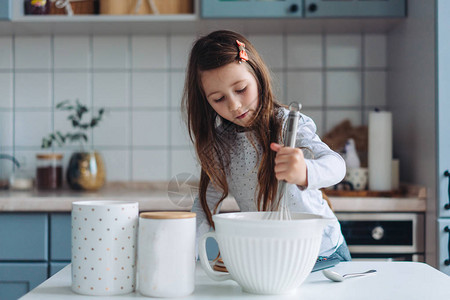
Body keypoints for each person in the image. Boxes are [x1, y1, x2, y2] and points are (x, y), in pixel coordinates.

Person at [182, 30, 351, 261]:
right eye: (219, 99)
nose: (235, 105)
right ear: (206, 103)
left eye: (241, 89)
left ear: (258, 77)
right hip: (271, 258)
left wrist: (305, 171)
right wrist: (184, 258)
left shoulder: (287, 125)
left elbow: (336, 166)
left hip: (321, 253)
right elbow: (204, 208)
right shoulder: (222, 146)